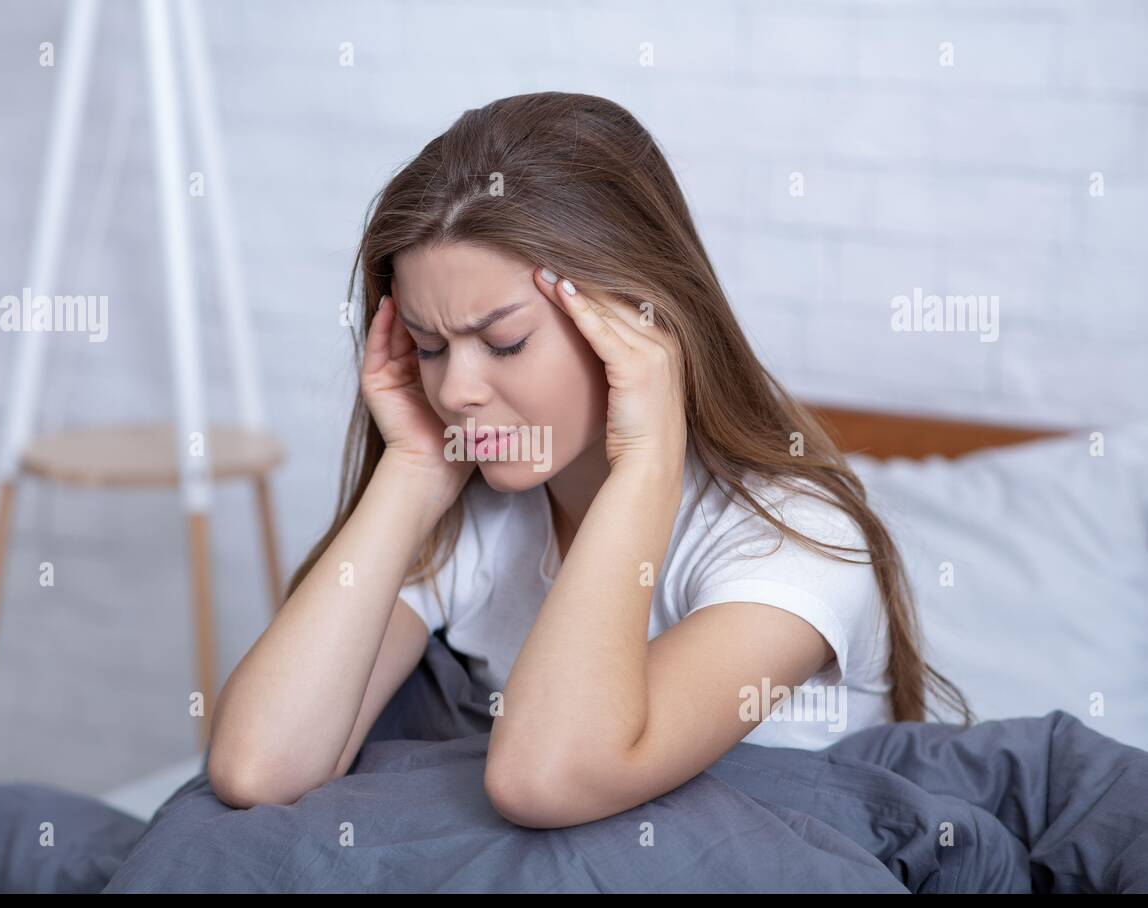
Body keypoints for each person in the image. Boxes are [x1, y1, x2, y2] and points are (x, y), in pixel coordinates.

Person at [207, 91, 972, 828]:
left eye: (505, 342)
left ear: (634, 321)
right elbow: (260, 768)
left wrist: (646, 461)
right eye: (430, 347)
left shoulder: (793, 539)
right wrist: (409, 471)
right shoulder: (477, 519)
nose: (458, 390)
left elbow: (545, 776)